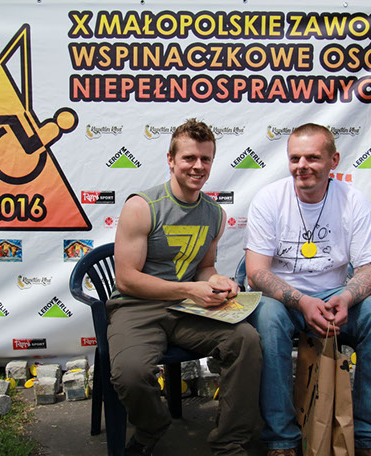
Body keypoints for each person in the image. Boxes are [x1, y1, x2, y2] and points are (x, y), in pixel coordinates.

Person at [244, 123, 371, 456]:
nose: (302, 166)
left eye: (313, 157)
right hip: (283, 299)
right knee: (268, 319)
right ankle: (281, 439)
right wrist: (302, 302)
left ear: (334, 160)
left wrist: (345, 297)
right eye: (295, 158)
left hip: (334, 295)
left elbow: (370, 270)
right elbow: (256, 273)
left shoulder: (353, 200)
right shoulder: (269, 199)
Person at [108, 118, 262, 456]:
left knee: (246, 340)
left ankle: (229, 441)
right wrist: (190, 290)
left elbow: (204, 268)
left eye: (205, 159)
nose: (198, 166)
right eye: (189, 158)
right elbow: (127, 279)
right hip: (137, 306)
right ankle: (152, 426)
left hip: (185, 310)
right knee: (130, 373)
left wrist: (216, 281)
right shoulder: (142, 207)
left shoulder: (215, 214)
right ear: (171, 160)